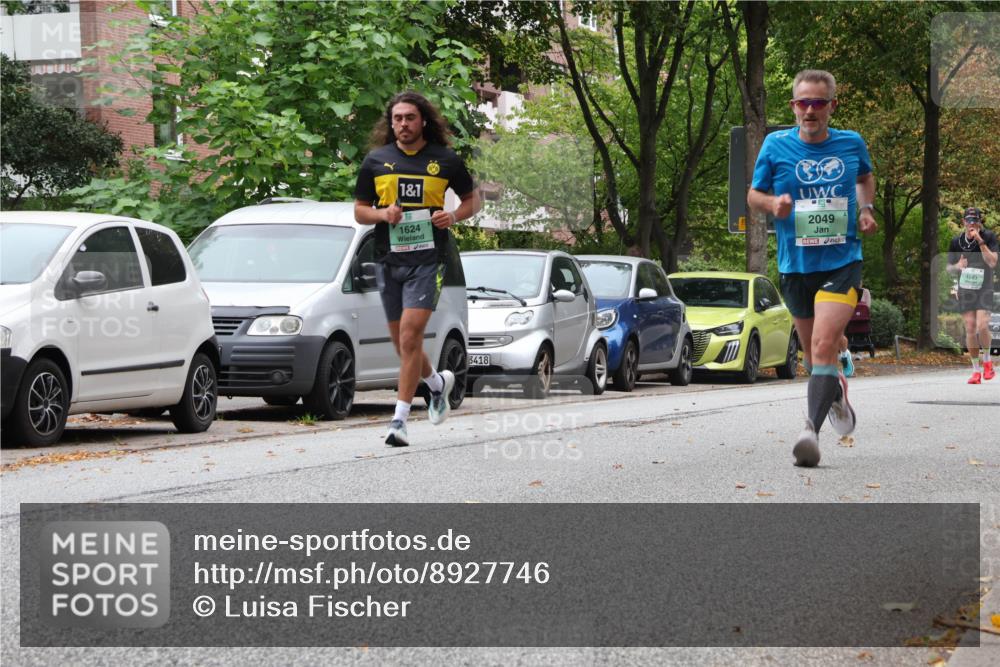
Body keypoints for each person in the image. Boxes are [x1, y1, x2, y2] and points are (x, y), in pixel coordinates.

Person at [748, 69, 878, 468]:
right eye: (802, 103)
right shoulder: (774, 145)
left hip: (842, 262)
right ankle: (833, 391)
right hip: (795, 267)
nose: (809, 110)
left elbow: (865, 178)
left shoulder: (850, 143)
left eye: (818, 103)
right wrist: (773, 206)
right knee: (811, 356)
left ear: (831, 106)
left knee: (823, 346)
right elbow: (753, 194)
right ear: (793, 106)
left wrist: (867, 210)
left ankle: (810, 433)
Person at [354, 91, 481, 446]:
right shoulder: (376, 161)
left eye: (409, 117)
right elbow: (360, 210)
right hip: (387, 259)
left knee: (411, 337)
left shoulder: (445, 160)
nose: (403, 124)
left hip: (428, 260)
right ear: (389, 122)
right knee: (402, 345)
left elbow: (473, 200)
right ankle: (438, 384)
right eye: (397, 118)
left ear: (423, 120)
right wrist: (384, 214)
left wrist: (452, 215)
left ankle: (399, 421)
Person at [946, 207, 998, 384]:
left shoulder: (989, 237)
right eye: (968, 220)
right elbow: (948, 268)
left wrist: (980, 241)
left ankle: (988, 362)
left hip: (984, 288)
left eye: (975, 220)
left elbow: (992, 262)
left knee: (982, 326)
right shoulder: (956, 242)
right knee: (970, 328)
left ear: (979, 221)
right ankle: (976, 370)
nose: (971, 224)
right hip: (966, 289)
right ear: (963, 222)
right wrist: (957, 265)